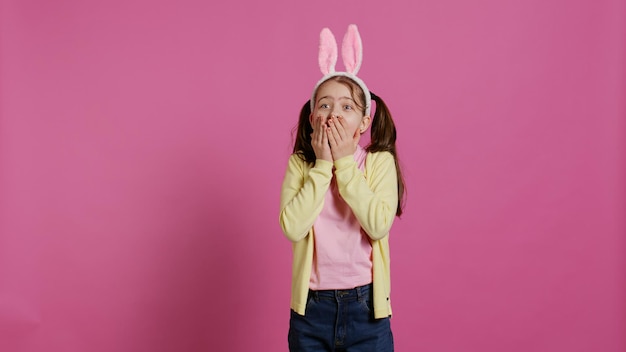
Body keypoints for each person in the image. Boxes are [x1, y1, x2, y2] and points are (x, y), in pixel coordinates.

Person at [279, 24, 406, 352]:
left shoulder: (379, 163)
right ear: (312, 118)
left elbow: (378, 225)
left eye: (347, 106)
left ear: (364, 122)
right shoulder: (301, 166)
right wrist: (322, 166)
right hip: (311, 311)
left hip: (366, 311)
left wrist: (345, 163)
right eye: (324, 105)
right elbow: (293, 228)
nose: (333, 113)